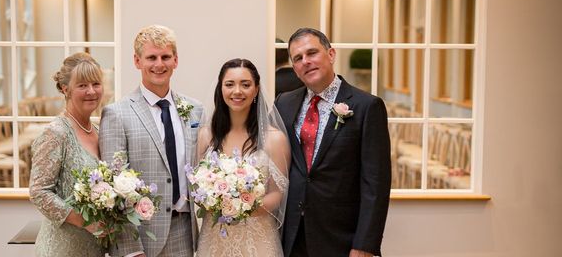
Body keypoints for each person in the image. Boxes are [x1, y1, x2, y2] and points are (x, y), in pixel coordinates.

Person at [275, 28, 391, 257]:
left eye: (312, 53)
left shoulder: (367, 107)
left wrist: (365, 244)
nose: (306, 61)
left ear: (331, 54)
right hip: (292, 236)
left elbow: (375, 184)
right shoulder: (284, 104)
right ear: (295, 68)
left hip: (342, 238)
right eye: (298, 58)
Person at [99, 25, 205, 257]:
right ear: (137, 61)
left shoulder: (195, 110)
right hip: (141, 236)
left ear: (175, 60)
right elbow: (114, 187)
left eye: (166, 57)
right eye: (151, 58)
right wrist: (130, 249)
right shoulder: (117, 114)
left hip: (185, 233)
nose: (159, 64)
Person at [195, 58, 290, 257]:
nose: (237, 91)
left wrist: (243, 206)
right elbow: (197, 187)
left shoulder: (274, 139)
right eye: (229, 84)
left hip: (258, 239)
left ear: (256, 90)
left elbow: (278, 193)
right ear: (221, 89)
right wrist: (215, 200)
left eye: (245, 85)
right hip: (215, 239)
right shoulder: (206, 135)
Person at [29, 52, 106, 257]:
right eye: (82, 85)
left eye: (96, 84)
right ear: (66, 89)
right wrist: (86, 221)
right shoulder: (56, 133)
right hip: (62, 249)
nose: (91, 91)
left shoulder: (98, 131)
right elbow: (39, 192)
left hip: (93, 249)